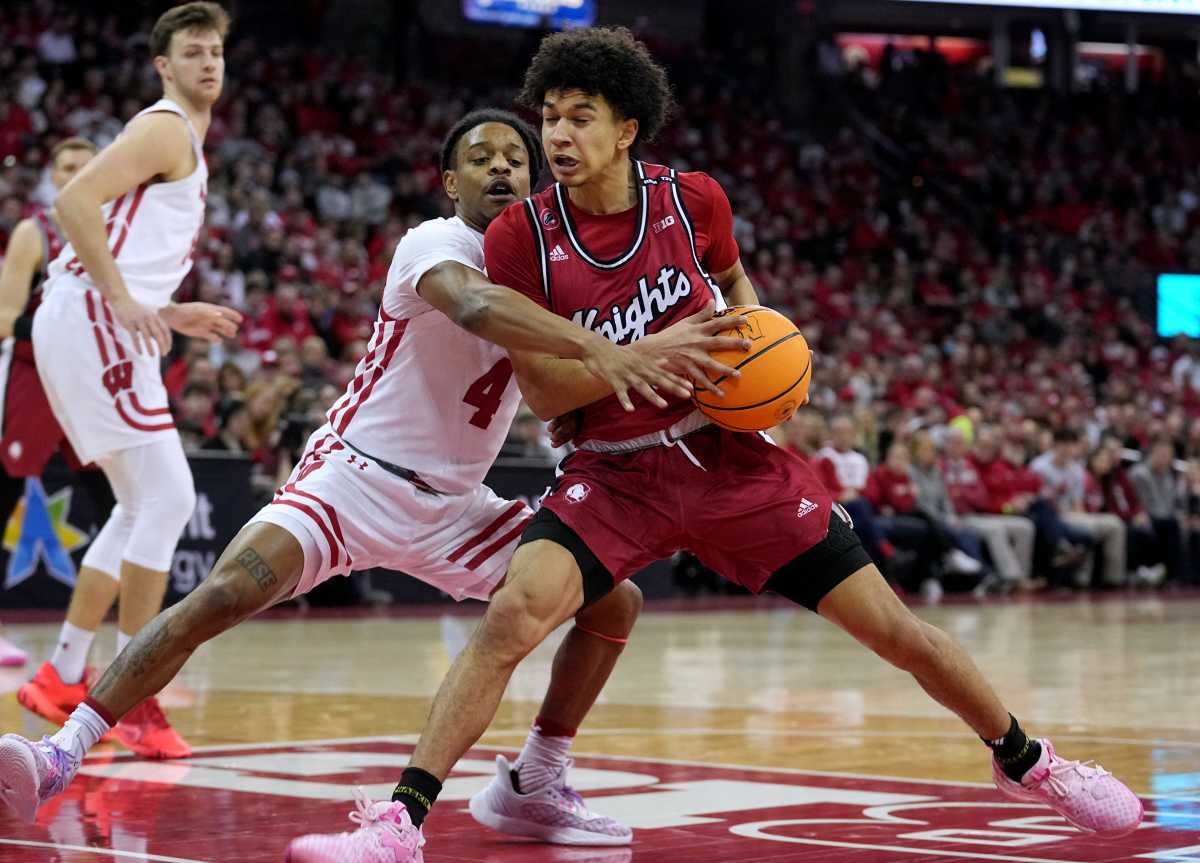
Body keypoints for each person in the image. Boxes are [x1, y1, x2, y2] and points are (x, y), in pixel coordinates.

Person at [288, 26, 1143, 859]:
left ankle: (1031, 761)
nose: (557, 133)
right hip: (614, 473)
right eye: (549, 114)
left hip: (730, 459)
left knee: (894, 629)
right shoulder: (521, 239)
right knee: (511, 616)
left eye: (580, 114)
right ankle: (400, 824)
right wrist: (635, 359)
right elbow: (544, 390)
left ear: (626, 128)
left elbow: (735, 285)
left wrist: (762, 356)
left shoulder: (693, 198)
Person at [0, 108, 747, 846]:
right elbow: (477, 304)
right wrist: (605, 350)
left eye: (517, 159)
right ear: (450, 181)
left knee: (615, 602)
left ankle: (537, 778)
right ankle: (60, 750)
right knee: (223, 593)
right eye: (482, 158)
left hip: (456, 508)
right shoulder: (435, 241)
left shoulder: (559, 273)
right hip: (355, 479)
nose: (502, 169)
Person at [16, 2, 243, 760]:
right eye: (193, 51)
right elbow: (73, 204)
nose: (208, 61)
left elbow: (122, 245)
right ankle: (135, 698)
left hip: (98, 316)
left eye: (216, 50)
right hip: (91, 316)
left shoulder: (184, 139)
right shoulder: (165, 126)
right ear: (164, 65)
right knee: (169, 496)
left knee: (140, 504)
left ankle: (64, 671)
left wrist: (170, 310)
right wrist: (119, 301)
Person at [0, 137, 102, 668]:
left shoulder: (118, 233)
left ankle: (121, 632)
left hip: (90, 380)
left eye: (89, 167)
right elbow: (3, 316)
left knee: (119, 501)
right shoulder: (33, 233)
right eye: (67, 167)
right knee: (6, 489)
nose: (78, 174)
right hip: (34, 376)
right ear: (53, 176)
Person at [941, 425, 1036, 587]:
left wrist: (963, 493)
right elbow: (948, 497)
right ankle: (1011, 578)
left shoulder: (967, 466)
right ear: (946, 445)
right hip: (958, 517)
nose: (958, 447)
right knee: (995, 529)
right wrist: (964, 495)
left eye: (961, 443)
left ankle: (1023, 576)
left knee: (1025, 527)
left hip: (977, 513)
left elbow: (980, 497)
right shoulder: (941, 466)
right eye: (954, 442)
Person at [1031, 429, 1126, 587]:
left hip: (1072, 514)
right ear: (1055, 445)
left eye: (1071, 445)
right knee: (1089, 529)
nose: (1068, 449)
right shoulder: (1039, 467)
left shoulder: (1076, 470)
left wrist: (1081, 516)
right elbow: (1039, 501)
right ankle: (1081, 579)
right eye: (1065, 445)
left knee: (1115, 524)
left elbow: (1078, 503)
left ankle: (1114, 579)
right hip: (1050, 517)